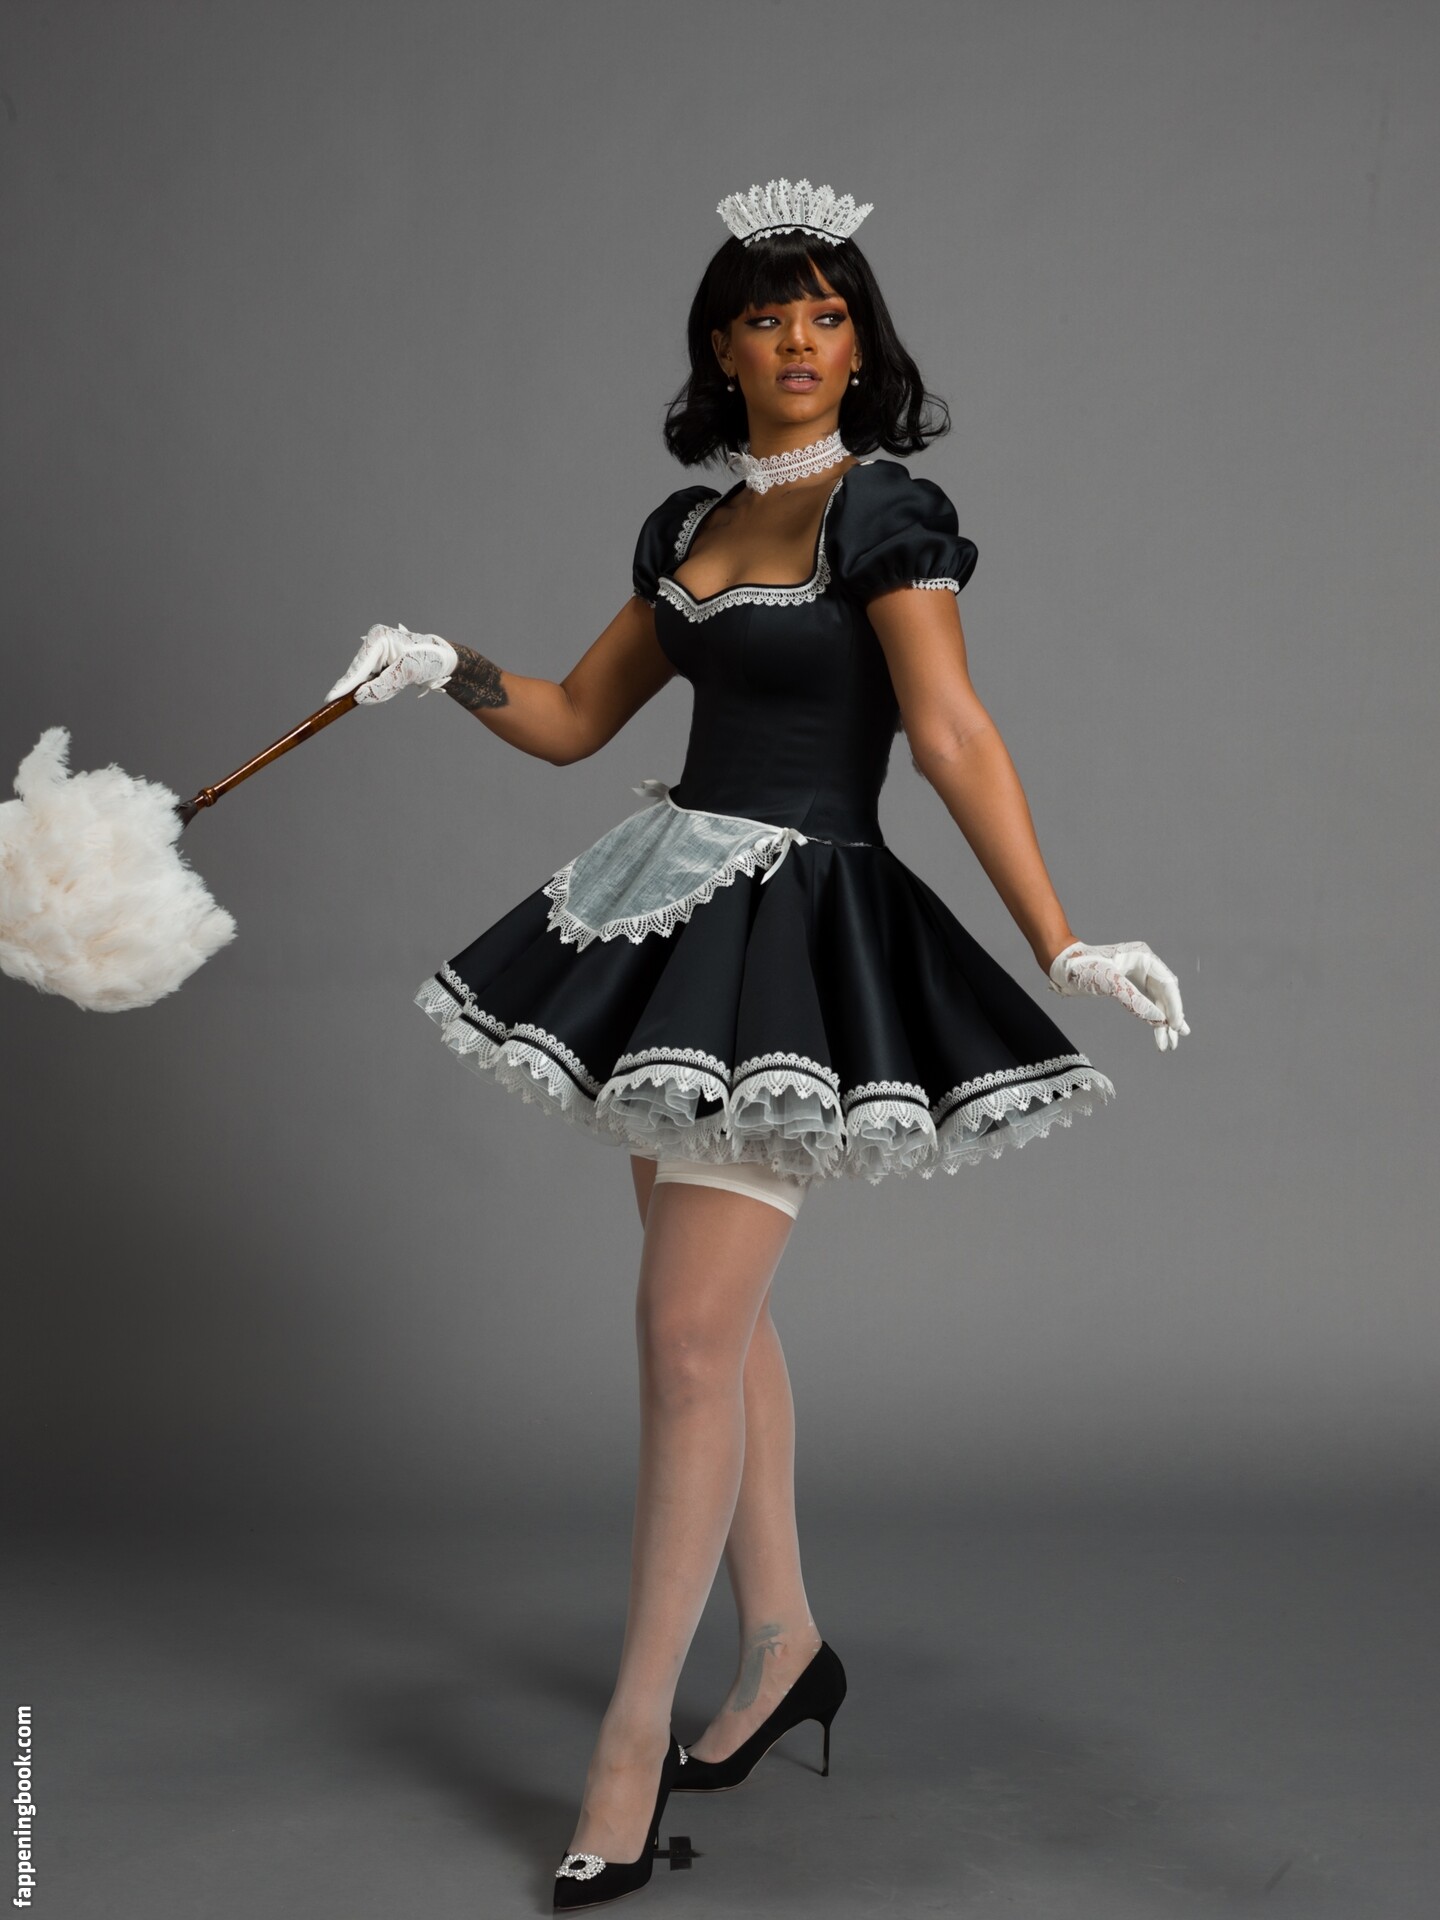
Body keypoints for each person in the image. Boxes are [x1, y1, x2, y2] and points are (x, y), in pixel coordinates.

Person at [326, 175, 1188, 1911]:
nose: (801, 339)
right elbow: (576, 721)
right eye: (769, 315)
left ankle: (629, 1737)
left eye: (829, 313)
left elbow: (949, 733)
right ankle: (782, 1641)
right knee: (714, 1327)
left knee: (682, 1338)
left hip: (797, 946)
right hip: (674, 921)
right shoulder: (695, 523)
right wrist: (442, 666)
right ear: (720, 346)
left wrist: (1062, 937)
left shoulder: (884, 510)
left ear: (861, 344)